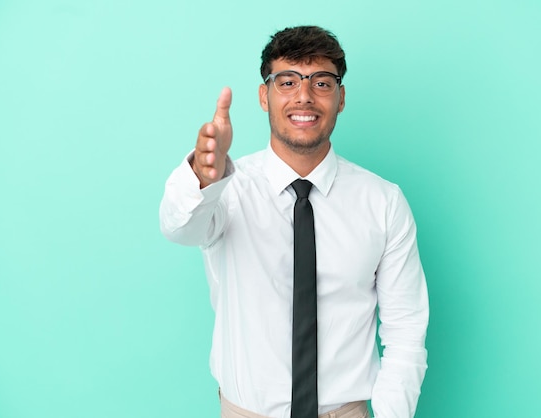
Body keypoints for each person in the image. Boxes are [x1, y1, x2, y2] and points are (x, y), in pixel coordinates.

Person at [159, 25, 429, 418]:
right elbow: (180, 228)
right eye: (287, 81)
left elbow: (406, 331)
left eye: (321, 82)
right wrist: (202, 178)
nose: (304, 95)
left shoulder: (383, 203)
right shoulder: (228, 190)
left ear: (341, 98)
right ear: (264, 96)